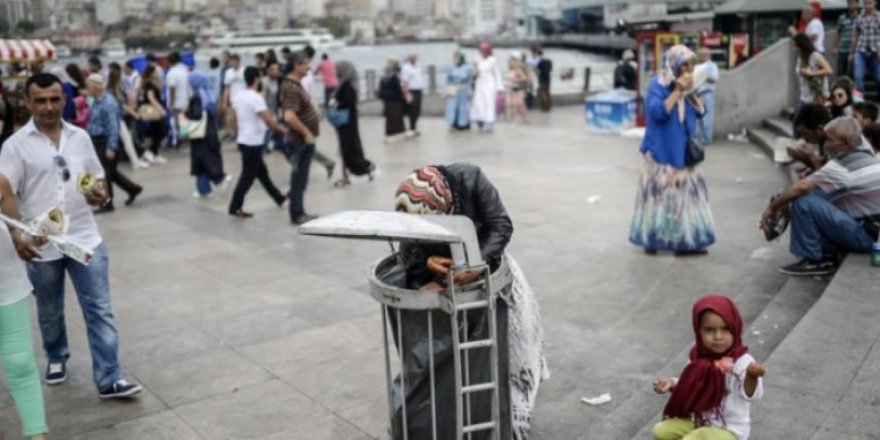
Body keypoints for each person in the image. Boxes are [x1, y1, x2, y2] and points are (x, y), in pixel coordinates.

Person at [0, 73, 143, 399]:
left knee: (100, 308)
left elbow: (95, 181)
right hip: (42, 245)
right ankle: (56, 355)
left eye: (54, 99)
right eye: (40, 100)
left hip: (83, 238)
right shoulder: (15, 146)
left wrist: (100, 195)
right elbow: (3, 191)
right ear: (27, 102)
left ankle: (110, 377)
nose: (49, 106)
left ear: (64, 99)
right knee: (49, 311)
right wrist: (15, 235)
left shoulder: (80, 137)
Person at [392, 163, 544, 440]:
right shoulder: (413, 215)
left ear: (443, 208)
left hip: (488, 266)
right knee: (457, 352)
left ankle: (502, 406)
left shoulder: (470, 180)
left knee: (511, 340)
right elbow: (412, 262)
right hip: (444, 278)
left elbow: (501, 225)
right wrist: (427, 285)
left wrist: (478, 264)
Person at [763, 116, 880, 275]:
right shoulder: (862, 147)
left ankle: (818, 260)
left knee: (803, 201)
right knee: (814, 193)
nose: (826, 145)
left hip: (869, 237)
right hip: (870, 228)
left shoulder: (842, 165)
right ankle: (823, 250)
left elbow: (803, 187)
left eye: (830, 140)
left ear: (846, 143)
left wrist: (772, 207)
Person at [629, 45, 715, 255]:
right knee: (657, 197)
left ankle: (686, 243)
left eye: (691, 64)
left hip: (683, 151)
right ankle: (652, 239)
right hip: (661, 151)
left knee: (686, 198)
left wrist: (690, 92)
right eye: (685, 64)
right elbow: (658, 112)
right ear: (674, 64)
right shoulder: (657, 85)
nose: (689, 68)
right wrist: (677, 91)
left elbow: (702, 112)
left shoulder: (688, 87)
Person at [651, 294, 765, 440]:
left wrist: (752, 376)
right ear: (698, 331)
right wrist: (671, 383)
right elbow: (691, 384)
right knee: (660, 430)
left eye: (725, 329)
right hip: (700, 421)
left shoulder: (742, 361)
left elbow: (751, 395)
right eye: (709, 330)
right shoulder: (698, 355)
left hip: (728, 429)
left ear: (735, 328)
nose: (718, 336)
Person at [0, 173, 50, 440]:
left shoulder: (1, 182)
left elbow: (15, 237)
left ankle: (37, 435)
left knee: (21, 364)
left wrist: (32, 239)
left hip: (7, 287)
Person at [228, 67, 287, 219]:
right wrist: (283, 132)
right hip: (252, 143)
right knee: (247, 177)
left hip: (244, 140)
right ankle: (235, 207)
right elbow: (268, 119)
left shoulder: (239, 96)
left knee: (262, 174)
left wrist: (233, 132)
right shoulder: (255, 97)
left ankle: (279, 198)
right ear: (256, 79)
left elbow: (233, 117)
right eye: (260, 77)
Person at [86, 74, 143, 214]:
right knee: (111, 172)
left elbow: (113, 126)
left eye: (88, 86)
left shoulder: (108, 103)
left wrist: (111, 147)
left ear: (95, 86)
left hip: (106, 141)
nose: (87, 89)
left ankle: (107, 203)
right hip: (97, 140)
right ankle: (133, 188)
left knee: (105, 174)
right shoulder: (96, 101)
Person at [280, 51, 320, 225]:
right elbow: (289, 116)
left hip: (305, 141)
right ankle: (296, 214)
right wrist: (306, 132)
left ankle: (300, 211)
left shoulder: (295, 84)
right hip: (300, 141)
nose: (308, 68)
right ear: (296, 65)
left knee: (301, 178)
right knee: (298, 178)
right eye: (305, 64)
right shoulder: (291, 87)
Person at [330, 61, 374, 188]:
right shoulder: (346, 84)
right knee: (348, 148)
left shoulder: (347, 85)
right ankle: (355, 171)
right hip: (348, 122)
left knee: (348, 149)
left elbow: (349, 102)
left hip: (347, 123)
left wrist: (336, 103)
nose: (335, 71)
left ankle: (365, 166)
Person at [188, 70, 231, 199]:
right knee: (203, 160)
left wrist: (186, 114)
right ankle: (203, 189)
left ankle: (220, 177)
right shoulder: (209, 94)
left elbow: (197, 114)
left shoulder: (197, 96)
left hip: (200, 133)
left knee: (202, 160)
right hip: (210, 132)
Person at [297, 45, 337, 179]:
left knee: (304, 144)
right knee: (304, 143)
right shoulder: (306, 74)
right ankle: (323, 164)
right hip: (305, 111)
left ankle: (302, 171)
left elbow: (306, 95)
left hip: (303, 113)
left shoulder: (305, 75)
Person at [107, 63, 150, 171]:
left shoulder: (112, 91)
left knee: (127, 140)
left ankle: (136, 161)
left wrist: (134, 113)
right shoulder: (111, 92)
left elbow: (122, 105)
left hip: (117, 119)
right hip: (115, 120)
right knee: (126, 140)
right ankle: (135, 162)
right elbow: (121, 105)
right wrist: (134, 113)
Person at [793, 33, 832, 137]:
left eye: (795, 46)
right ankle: (798, 143)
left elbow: (829, 70)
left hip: (817, 96)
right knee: (798, 123)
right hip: (804, 96)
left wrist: (811, 73)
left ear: (801, 45)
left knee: (813, 125)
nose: (794, 49)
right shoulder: (800, 58)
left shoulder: (815, 56)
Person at [137, 65, 168, 165]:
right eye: (156, 71)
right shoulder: (149, 85)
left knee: (156, 133)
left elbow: (160, 89)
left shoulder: (151, 83)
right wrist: (160, 109)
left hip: (154, 111)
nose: (158, 73)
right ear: (151, 73)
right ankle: (150, 151)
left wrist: (159, 80)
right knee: (161, 132)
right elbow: (151, 98)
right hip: (154, 111)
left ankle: (155, 153)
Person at [471, 42, 503, 132]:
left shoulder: (493, 60)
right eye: (480, 50)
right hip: (480, 83)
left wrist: (499, 88)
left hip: (489, 84)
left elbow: (497, 74)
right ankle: (480, 120)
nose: (481, 52)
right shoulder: (477, 59)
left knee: (489, 103)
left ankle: (490, 123)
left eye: (483, 50)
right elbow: (474, 72)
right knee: (478, 102)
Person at [849, 0, 880, 94]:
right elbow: (855, 36)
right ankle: (860, 101)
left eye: (870, 3)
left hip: (876, 52)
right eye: (865, 3)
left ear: (875, 3)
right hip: (861, 51)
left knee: (878, 78)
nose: (867, 5)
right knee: (858, 76)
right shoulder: (859, 18)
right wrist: (851, 53)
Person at [379, 58, 407, 143]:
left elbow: (381, 87)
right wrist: (403, 95)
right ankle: (390, 134)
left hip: (387, 98)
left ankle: (393, 133)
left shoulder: (385, 75)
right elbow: (398, 87)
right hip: (394, 98)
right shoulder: (394, 76)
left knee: (391, 116)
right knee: (393, 116)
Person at [696, 47, 719, 145]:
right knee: (699, 118)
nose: (702, 57)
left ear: (708, 55)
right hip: (698, 94)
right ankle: (700, 138)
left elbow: (714, 79)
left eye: (704, 55)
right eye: (700, 55)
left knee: (707, 118)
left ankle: (706, 139)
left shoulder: (712, 66)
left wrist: (704, 75)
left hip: (707, 93)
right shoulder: (698, 66)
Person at [445, 50, 472, 131]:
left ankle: (464, 123)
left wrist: (470, 89)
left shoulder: (467, 67)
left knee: (463, 106)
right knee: (453, 106)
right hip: (454, 88)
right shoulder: (450, 67)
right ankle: (454, 122)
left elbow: (469, 79)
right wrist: (448, 88)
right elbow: (448, 79)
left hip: (463, 88)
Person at [221, 54, 245, 139]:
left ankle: (240, 133)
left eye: (234, 62)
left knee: (241, 117)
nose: (232, 64)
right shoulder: (228, 72)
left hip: (243, 98)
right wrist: (224, 101)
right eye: (231, 62)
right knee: (231, 117)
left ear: (238, 61)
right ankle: (232, 133)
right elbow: (226, 87)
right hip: (233, 99)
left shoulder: (244, 71)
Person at [400, 53, 424, 137]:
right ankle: (411, 129)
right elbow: (404, 81)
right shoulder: (406, 67)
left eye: (416, 58)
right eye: (413, 58)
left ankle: (414, 127)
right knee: (412, 110)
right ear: (409, 58)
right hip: (411, 90)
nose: (415, 59)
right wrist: (406, 93)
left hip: (418, 90)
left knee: (418, 110)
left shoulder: (417, 66)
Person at [504, 53, 530, 124]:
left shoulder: (518, 70)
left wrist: (515, 80)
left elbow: (525, 78)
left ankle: (525, 118)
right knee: (508, 105)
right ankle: (509, 119)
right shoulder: (509, 70)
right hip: (509, 90)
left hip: (516, 90)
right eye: (510, 61)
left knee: (520, 105)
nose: (510, 62)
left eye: (512, 61)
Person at [838, 0, 860, 77]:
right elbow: (838, 33)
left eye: (853, 3)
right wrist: (835, 46)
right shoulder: (842, 18)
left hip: (857, 50)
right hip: (843, 48)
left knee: (853, 73)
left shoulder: (861, 18)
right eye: (849, 3)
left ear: (857, 4)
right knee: (841, 72)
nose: (851, 5)